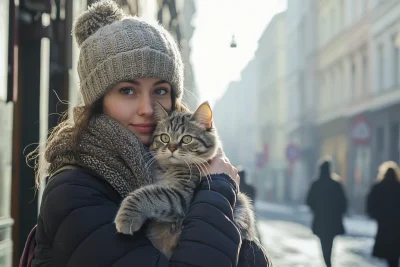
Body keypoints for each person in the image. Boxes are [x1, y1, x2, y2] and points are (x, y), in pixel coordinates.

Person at [28, 1, 270, 266]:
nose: (147, 109)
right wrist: (219, 192)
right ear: (99, 100)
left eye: (160, 91)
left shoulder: (179, 163)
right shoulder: (75, 190)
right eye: (128, 91)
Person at [306, 156, 347, 267]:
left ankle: (327, 261)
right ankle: (328, 262)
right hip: (333, 220)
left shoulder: (316, 184)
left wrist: (316, 209)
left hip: (320, 220)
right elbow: (343, 203)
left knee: (323, 243)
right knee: (330, 242)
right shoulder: (336, 184)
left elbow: (309, 201)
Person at [366, 161, 400, 267]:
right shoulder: (398, 187)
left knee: (387, 250)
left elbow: (370, 204)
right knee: (394, 253)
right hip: (397, 224)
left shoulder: (378, 187)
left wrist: (376, 215)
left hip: (383, 223)